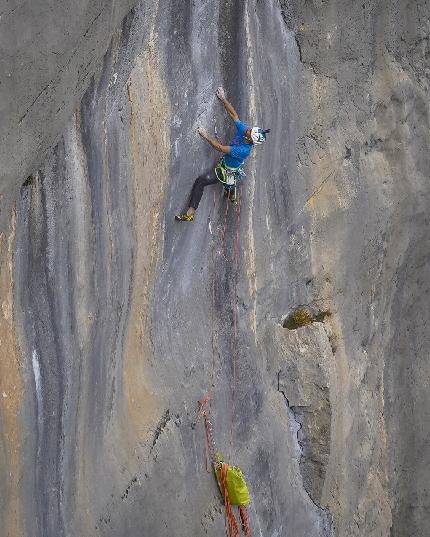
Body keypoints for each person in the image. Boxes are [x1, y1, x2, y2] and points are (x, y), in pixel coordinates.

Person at [175, 87, 269, 222]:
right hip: (228, 164)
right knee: (229, 187)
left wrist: (205, 135)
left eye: (249, 132)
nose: (247, 129)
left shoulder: (243, 150)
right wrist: (223, 98)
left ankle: (190, 214)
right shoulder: (245, 132)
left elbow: (219, 147)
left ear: (250, 139)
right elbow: (234, 115)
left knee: (201, 181)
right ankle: (230, 192)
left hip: (225, 171)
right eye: (250, 129)